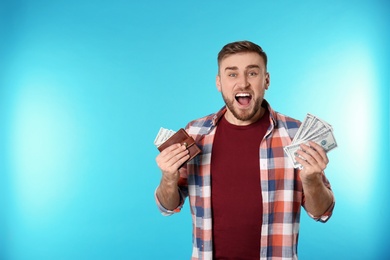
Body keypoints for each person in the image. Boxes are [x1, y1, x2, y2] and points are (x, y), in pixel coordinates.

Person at [154, 40, 335, 260]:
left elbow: (322, 212)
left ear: (266, 80)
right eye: (232, 74)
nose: (243, 83)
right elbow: (167, 206)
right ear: (219, 83)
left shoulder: (296, 134)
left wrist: (312, 179)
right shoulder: (195, 133)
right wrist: (168, 177)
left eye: (252, 73)